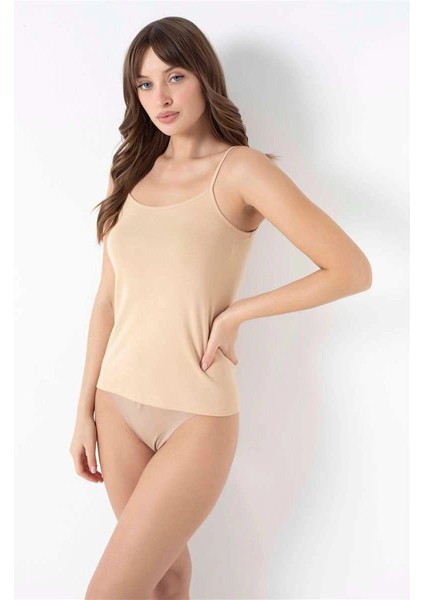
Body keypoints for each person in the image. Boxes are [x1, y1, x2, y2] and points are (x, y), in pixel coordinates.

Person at [68, 16, 373, 600]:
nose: (160, 97)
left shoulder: (242, 170)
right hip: (116, 404)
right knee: (167, 576)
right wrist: (83, 411)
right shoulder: (129, 169)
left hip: (196, 414)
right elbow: (106, 300)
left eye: (174, 76)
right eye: (144, 84)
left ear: (204, 76)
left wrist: (237, 314)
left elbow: (351, 269)